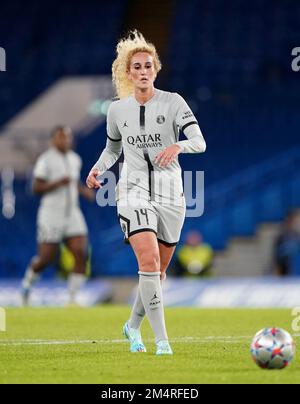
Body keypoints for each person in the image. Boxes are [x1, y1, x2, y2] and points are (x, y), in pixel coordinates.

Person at [86, 30, 206, 355]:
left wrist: (178, 145)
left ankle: (132, 327)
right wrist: (98, 168)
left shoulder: (174, 102)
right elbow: (112, 150)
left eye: (147, 66)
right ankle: (163, 342)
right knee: (149, 260)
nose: (142, 71)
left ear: (156, 70)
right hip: (132, 193)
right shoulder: (116, 111)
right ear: (128, 72)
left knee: (157, 271)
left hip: (172, 197)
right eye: (136, 66)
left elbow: (200, 141)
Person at [21, 126, 94, 306]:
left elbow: (73, 182)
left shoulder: (75, 159)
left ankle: (72, 298)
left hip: (72, 213)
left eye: (68, 138)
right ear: (53, 140)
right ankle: (26, 286)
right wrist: (57, 183)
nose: (65, 141)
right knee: (46, 259)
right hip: (51, 214)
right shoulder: (45, 160)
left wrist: (84, 191)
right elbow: (36, 188)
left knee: (81, 253)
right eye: (61, 138)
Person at [274, 212, 300, 276]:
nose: (290, 224)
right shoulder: (281, 238)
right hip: (284, 271)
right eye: (288, 222)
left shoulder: (297, 237)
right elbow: (276, 257)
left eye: (292, 222)